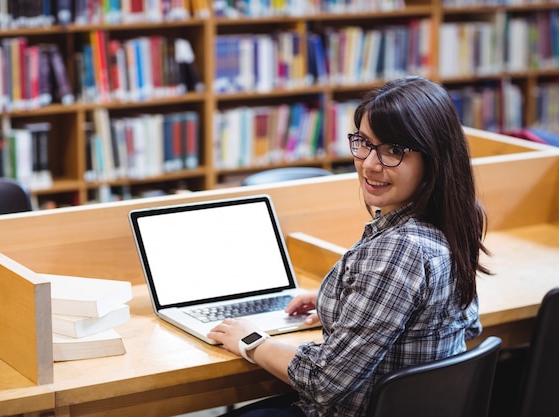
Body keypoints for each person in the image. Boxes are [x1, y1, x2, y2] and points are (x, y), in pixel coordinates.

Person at [207, 76, 490, 417]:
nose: (370, 163)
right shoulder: (453, 221)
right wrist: (346, 302)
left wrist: (251, 340)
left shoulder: (399, 251)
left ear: (433, 157)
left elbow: (324, 382)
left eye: (394, 150)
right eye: (365, 143)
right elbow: (466, 324)